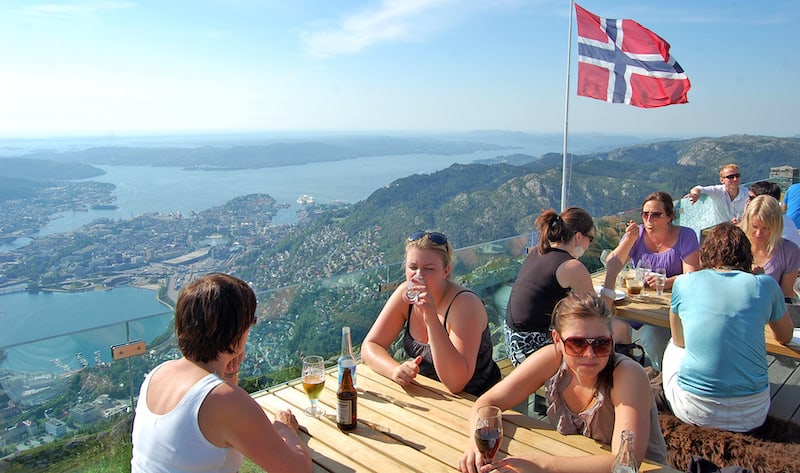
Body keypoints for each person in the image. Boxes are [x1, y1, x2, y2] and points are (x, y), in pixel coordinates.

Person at [457, 292, 668, 473]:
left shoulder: (627, 375)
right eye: (577, 343)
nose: (590, 354)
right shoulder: (553, 358)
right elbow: (488, 404)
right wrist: (476, 448)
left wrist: (544, 466)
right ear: (557, 340)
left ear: (611, 339)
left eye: (601, 343)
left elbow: (625, 460)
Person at [131, 273, 312, 473]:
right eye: (249, 323)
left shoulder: (159, 373)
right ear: (236, 333)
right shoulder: (224, 401)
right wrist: (284, 428)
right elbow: (297, 470)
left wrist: (230, 363)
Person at [662, 223, 793, 432]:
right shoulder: (766, 285)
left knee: (673, 346)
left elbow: (680, 340)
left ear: (706, 254)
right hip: (753, 412)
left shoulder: (684, 283)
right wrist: (758, 279)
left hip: (695, 410)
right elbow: (785, 336)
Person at [362, 230, 501, 396]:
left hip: (476, 400)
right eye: (412, 267)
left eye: (429, 269)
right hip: (427, 393)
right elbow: (370, 345)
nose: (418, 276)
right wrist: (395, 370)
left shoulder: (465, 304)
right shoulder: (405, 295)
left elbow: (456, 383)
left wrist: (431, 318)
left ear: (445, 271)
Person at [602, 192, 700, 372]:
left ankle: (662, 376)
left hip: (668, 305)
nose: (649, 219)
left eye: (656, 214)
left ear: (670, 216)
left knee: (653, 336)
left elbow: (692, 276)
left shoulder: (686, 236)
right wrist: (628, 241)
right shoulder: (637, 234)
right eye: (645, 214)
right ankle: (625, 372)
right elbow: (612, 263)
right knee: (615, 326)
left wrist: (666, 281)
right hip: (636, 299)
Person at [504, 207, 604, 367]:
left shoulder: (536, 252)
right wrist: (612, 272)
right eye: (590, 239)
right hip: (533, 350)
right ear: (578, 237)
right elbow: (598, 315)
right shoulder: (572, 266)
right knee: (607, 342)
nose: (589, 245)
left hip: (513, 344)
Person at [740, 194, 800, 297]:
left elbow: (785, 297)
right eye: (755, 227)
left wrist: (762, 279)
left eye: (765, 228)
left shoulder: (789, 251)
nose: (758, 233)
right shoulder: (735, 246)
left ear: (776, 226)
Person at [684, 163, 749, 223]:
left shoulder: (747, 194)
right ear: (722, 180)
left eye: (737, 176)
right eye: (730, 177)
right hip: (722, 230)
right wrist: (695, 194)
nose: (735, 179)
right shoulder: (717, 191)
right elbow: (698, 188)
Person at [746, 180, 800, 247]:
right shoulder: (782, 219)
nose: (747, 201)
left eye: (751, 198)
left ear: (763, 201)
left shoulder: (775, 223)